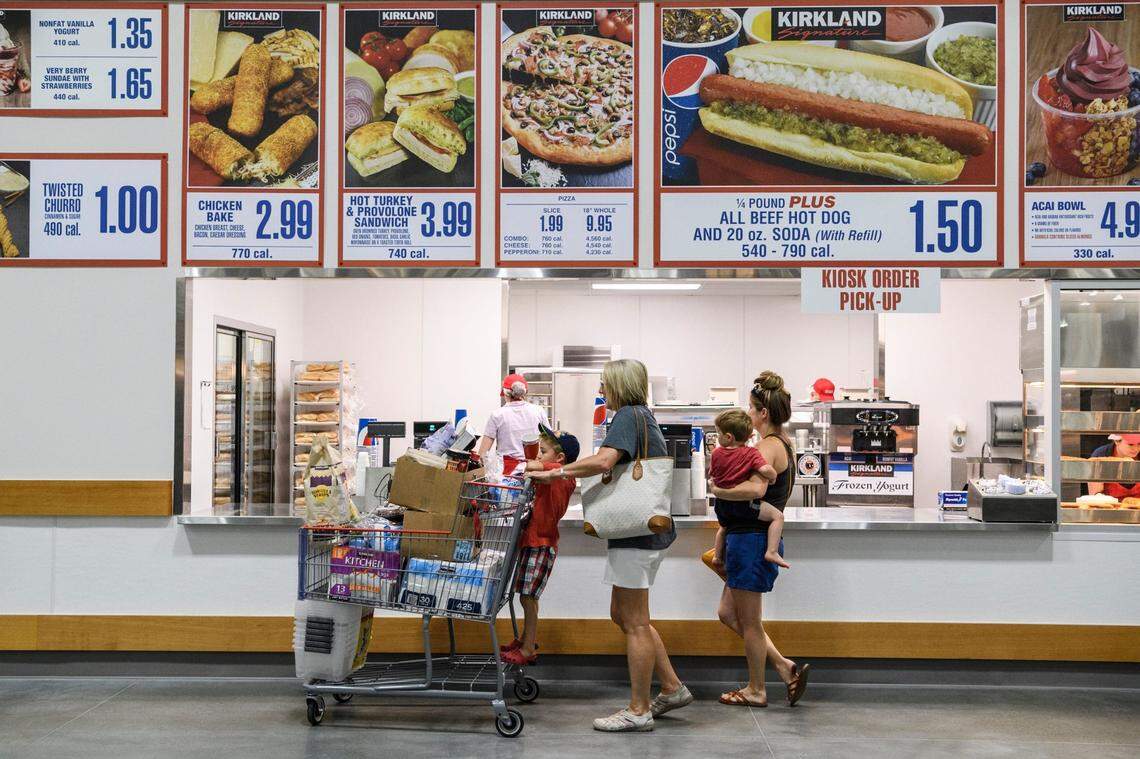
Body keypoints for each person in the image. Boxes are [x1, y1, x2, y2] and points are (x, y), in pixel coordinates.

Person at [529, 358, 690, 733]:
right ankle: (671, 686)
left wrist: (555, 471)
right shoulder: (640, 416)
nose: (601, 390)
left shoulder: (628, 416)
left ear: (619, 384)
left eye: (604, 383)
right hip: (643, 533)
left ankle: (638, 709)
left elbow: (605, 459)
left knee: (634, 621)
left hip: (637, 535)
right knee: (623, 614)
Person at [708, 371, 810, 708]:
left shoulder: (767, 446)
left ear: (763, 413)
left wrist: (718, 490)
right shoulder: (782, 443)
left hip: (751, 540)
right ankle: (784, 666)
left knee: (750, 623)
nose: (748, 417)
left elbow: (754, 489)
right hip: (745, 538)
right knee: (728, 613)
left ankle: (756, 689)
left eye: (751, 410)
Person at [501, 424, 579, 666]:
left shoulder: (561, 473)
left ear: (560, 457)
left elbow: (532, 466)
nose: (537, 455)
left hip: (542, 543)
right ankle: (526, 639)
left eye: (542, 451)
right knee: (524, 595)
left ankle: (527, 649)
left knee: (529, 598)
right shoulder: (554, 473)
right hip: (534, 540)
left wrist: (504, 462)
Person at [709, 408, 788, 576]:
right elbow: (766, 470)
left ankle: (717, 556)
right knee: (777, 516)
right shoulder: (751, 453)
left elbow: (712, 476)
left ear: (728, 437)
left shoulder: (716, 454)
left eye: (718, 433)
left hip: (722, 506)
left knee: (723, 528)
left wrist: (717, 489)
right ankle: (771, 551)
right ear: (750, 437)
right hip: (743, 506)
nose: (717, 437)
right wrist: (773, 477)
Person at [477, 373, 549, 475]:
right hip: (533, 471)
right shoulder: (539, 411)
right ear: (525, 392)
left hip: (506, 474)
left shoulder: (497, 415)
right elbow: (550, 443)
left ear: (506, 394)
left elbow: (483, 454)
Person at [1087, 433, 1140, 500]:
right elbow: (1095, 495)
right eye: (1130, 444)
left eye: (1139, 444)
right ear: (1117, 441)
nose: (1136, 449)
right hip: (1109, 507)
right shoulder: (1101, 455)